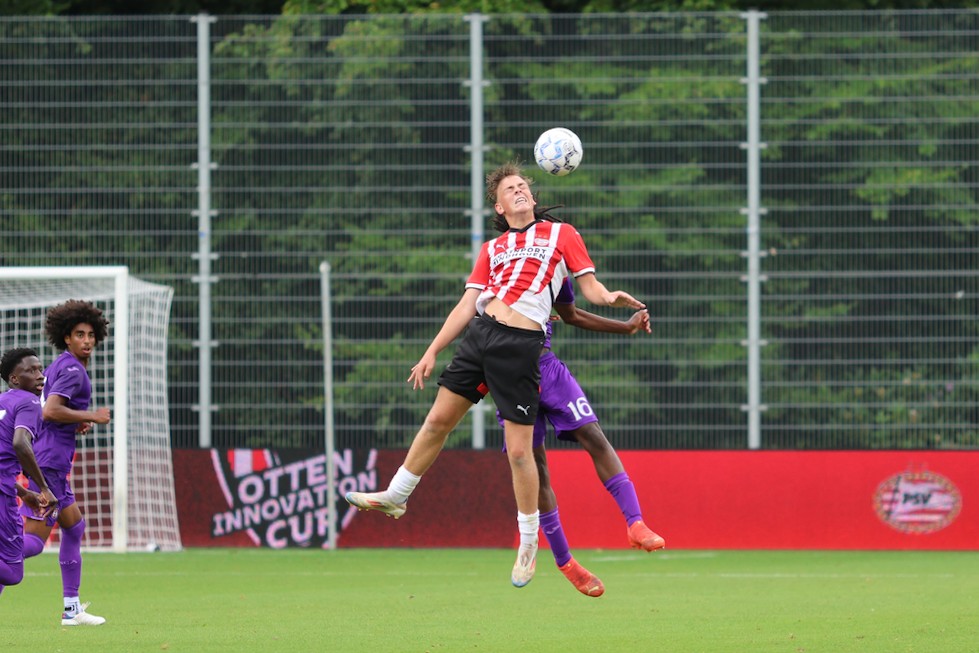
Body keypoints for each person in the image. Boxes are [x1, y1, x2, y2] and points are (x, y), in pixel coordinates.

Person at [346, 162, 645, 588]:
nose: (520, 190)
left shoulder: (562, 235)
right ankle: (397, 496)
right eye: (511, 188)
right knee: (436, 421)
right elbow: (467, 305)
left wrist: (611, 298)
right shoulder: (492, 248)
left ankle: (527, 544)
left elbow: (590, 289)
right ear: (500, 206)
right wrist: (432, 350)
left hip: (520, 348)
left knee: (522, 455)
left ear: (534, 199)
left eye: (524, 185)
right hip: (480, 337)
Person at [499, 273, 666, 598]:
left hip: (548, 369)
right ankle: (565, 563)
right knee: (536, 470)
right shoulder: (497, 267)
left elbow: (573, 314)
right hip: (510, 379)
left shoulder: (554, 266)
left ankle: (635, 523)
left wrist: (626, 325)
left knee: (595, 436)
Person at [19, 300, 111, 626]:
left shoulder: (62, 364)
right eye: (79, 334)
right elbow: (50, 410)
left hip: (51, 459)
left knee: (74, 526)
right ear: (67, 337)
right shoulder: (73, 370)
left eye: (90, 334)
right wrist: (91, 416)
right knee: (28, 543)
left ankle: (71, 609)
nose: (86, 340)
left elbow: (51, 407)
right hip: (51, 465)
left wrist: (75, 423)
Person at [0, 348, 59, 597]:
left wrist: (24, 492)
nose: (40, 375)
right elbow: (19, 443)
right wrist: (43, 487)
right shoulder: (29, 402)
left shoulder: (2, 401)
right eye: (31, 370)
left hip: (7, 487)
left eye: (40, 369)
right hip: (2, 494)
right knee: (13, 573)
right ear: (14, 378)